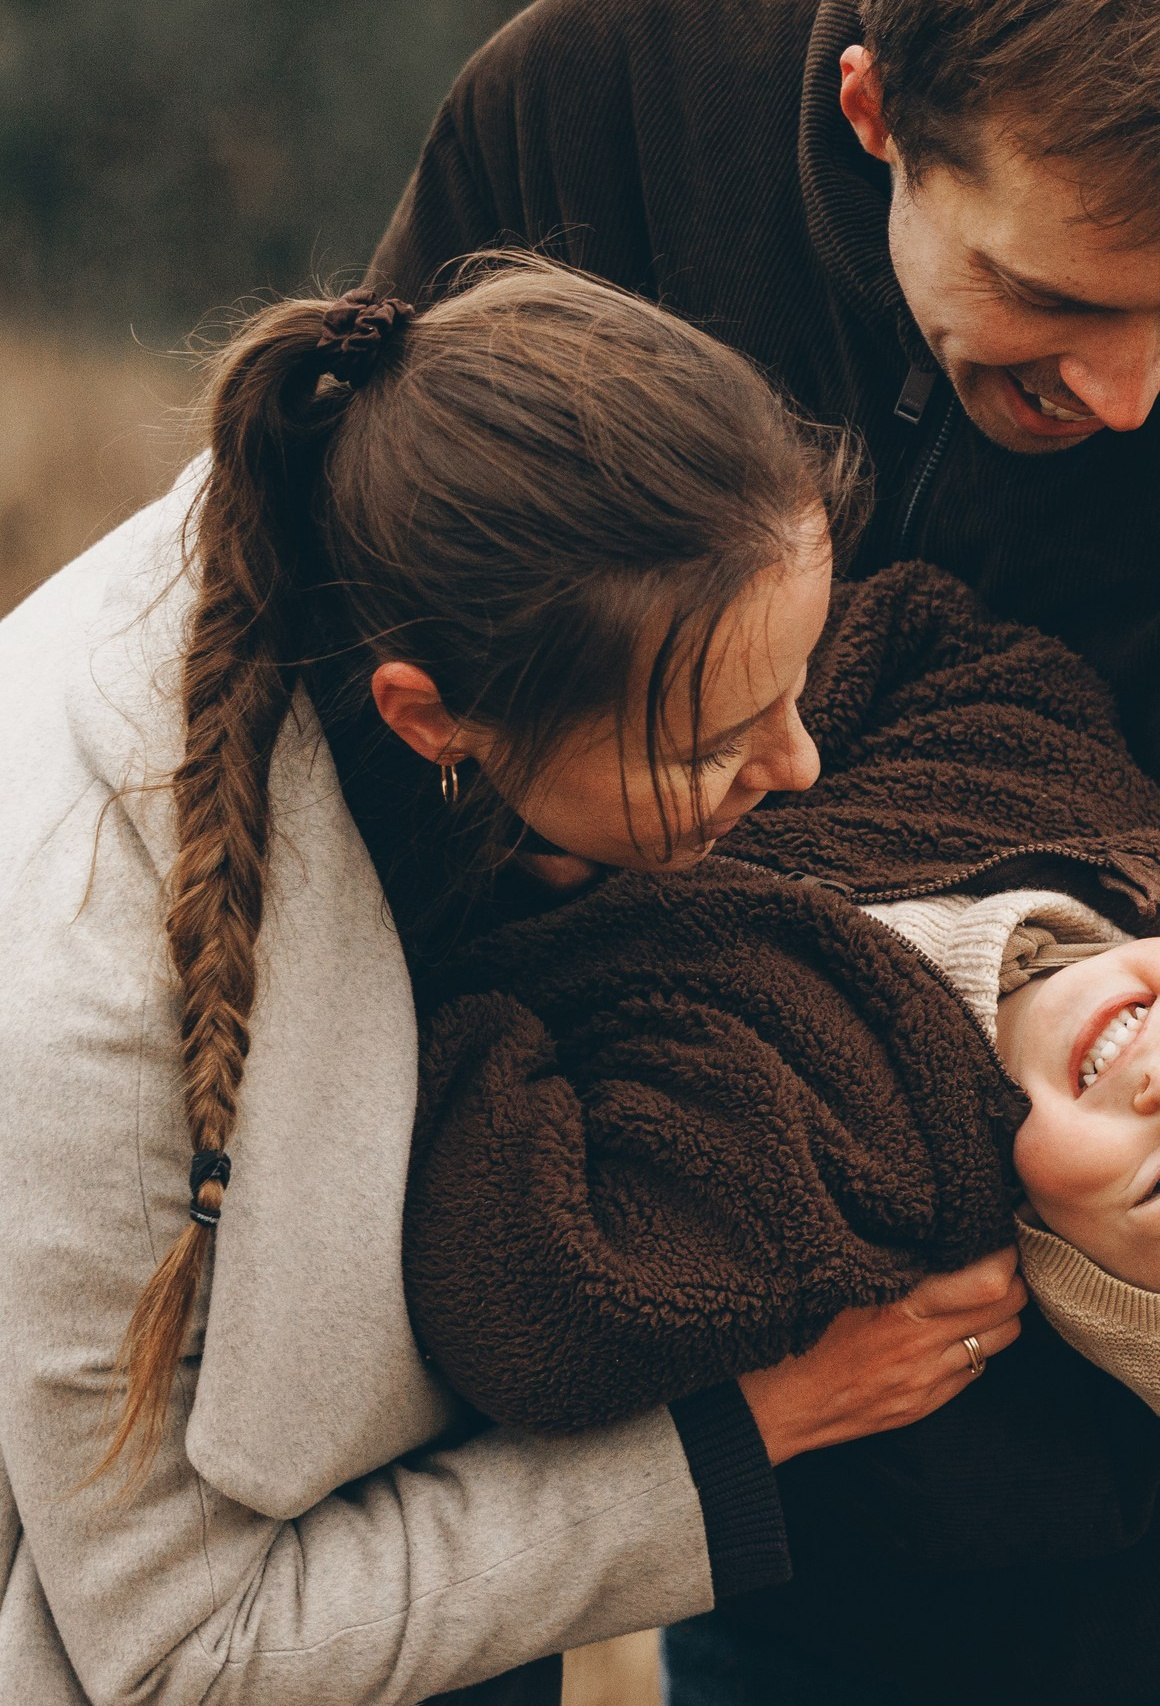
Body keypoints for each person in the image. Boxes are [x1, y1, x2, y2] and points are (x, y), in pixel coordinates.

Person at [371, 0, 1160, 1700]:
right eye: (1051, 298)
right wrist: (722, 1441)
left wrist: (748, 1421)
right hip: (803, 1540)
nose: (1120, 392)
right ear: (874, 111)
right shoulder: (593, 123)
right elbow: (366, 669)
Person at [0, 259, 1029, 1706]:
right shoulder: (81, 995)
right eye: (710, 742)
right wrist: (750, 1431)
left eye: (795, 689)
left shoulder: (393, 571)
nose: (795, 766)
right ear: (431, 716)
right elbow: (173, 1648)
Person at [401, 557, 1160, 1502]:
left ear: (1071, 1269)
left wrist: (484, 912)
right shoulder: (1078, 798)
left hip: (397, 872)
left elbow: (528, 1297)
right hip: (516, 649)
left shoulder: (834, 1185)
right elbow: (908, 628)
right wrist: (694, 725)